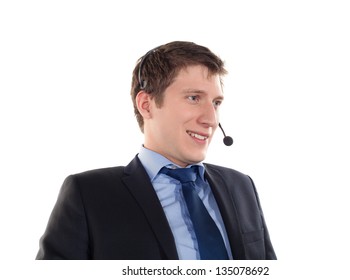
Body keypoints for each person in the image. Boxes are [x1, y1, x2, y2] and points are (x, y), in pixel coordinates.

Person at [36, 41, 276, 260]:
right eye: (193, 98)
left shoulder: (241, 186)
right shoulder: (88, 194)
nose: (211, 119)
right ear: (146, 105)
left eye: (216, 103)